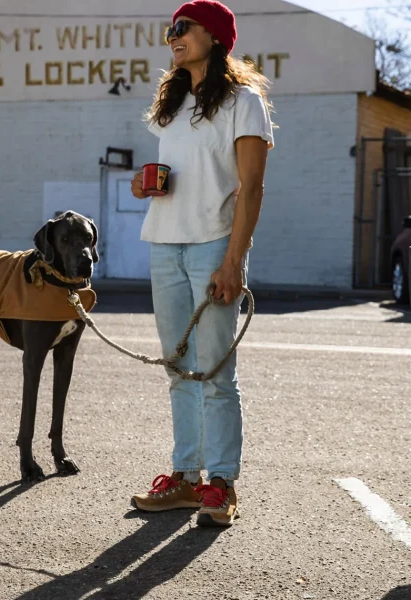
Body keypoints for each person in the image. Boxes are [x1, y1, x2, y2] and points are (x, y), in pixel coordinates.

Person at [130, 0, 274, 527]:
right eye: (170, 29)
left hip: (215, 245)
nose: (172, 35)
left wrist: (234, 260)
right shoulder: (172, 103)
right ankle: (186, 478)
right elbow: (177, 174)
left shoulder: (244, 101)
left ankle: (221, 484)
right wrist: (142, 184)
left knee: (214, 372)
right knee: (177, 369)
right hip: (164, 244)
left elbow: (252, 187)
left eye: (182, 27)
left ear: (214, 36)